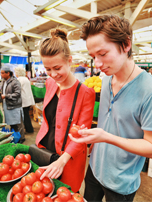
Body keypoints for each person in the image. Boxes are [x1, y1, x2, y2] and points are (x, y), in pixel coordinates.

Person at [69, 15, 152, 202]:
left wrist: (105, 137)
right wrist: (91, 134)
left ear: (126, 44)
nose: (97, 64)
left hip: (121, 180)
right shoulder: (106, 79)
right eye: (93, 57)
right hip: (94, 169)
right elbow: (111, 124)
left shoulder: (148, 90)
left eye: (103, 54)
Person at [36, 28, 96, 192]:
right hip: (45, 150)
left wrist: (62, 160)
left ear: (70, 60)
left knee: (66, 193)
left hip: (68, 158)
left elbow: (82, 135)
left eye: (57, 67)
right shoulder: (50, 84)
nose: (53, 74)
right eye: (48, 69)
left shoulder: (86, 93)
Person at [1, 65, 25, 143]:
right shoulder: (4, 81)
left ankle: (21, 138)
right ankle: (15, 136)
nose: (1, 75)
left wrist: (6, 96)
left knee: (18, 123)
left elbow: (17, 94)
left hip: (15, 106)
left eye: (3, 73)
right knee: (12, 123)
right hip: (7, 105)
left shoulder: (15, 81)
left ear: (8, 73)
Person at [14, 66, 35, 133]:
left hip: (23, 100)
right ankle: (29, 128)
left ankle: (29, 129)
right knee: (26, 115)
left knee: (25, 116)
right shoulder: (26, 79)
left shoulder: (19, 80)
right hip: (27, 100)